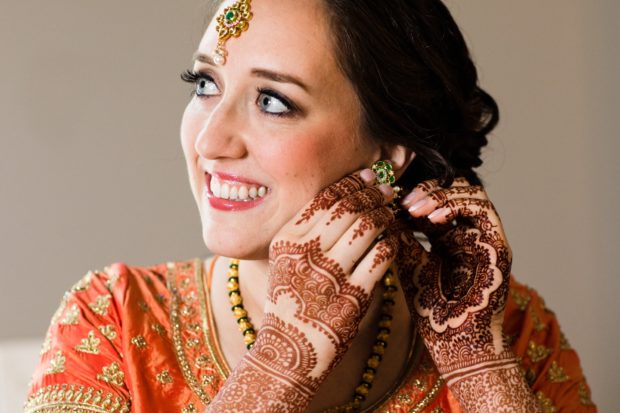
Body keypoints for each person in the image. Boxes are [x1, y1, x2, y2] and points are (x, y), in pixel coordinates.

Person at [24, 0, 597, 412]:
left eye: (272, 101)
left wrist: (478, 367)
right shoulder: (114, 320)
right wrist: (277, 367)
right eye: (204, 85)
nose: (209, 142)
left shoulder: (501, 326)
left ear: (389, 155)